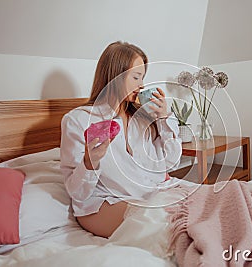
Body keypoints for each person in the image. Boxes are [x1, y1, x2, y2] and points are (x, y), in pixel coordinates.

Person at [60, 41, 183, 238]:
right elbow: (78, 193)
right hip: (105, 204)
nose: (141, 85)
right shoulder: (78, 120)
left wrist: (165, 119)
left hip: (152, 193)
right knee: (175, 231)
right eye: (136, 77)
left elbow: (171, 162)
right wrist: (89, 163)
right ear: (115, 76)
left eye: (142, 78)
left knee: (223, 202)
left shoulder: (141, 118)